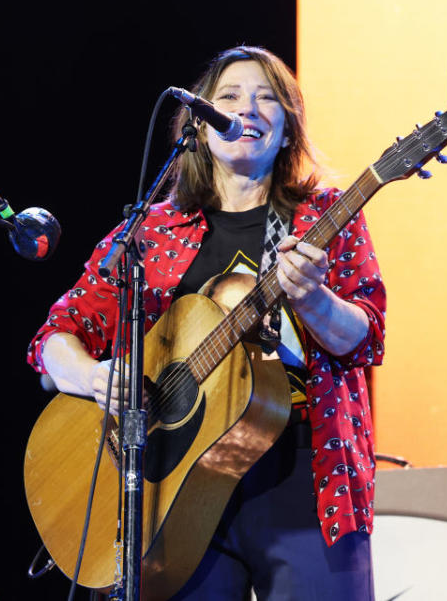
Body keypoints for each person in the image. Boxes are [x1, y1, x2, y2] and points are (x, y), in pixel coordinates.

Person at [27, 45, 386, 600]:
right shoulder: (153, 230)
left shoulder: (324, 216)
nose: (248, 109)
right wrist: (93, 377)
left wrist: (313, 299)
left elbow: (365, 336)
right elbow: (57, 334)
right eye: (230, 97)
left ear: (287, 129)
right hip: (174, 489)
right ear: (198, 125)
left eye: (268, 99)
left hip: (302, 475)